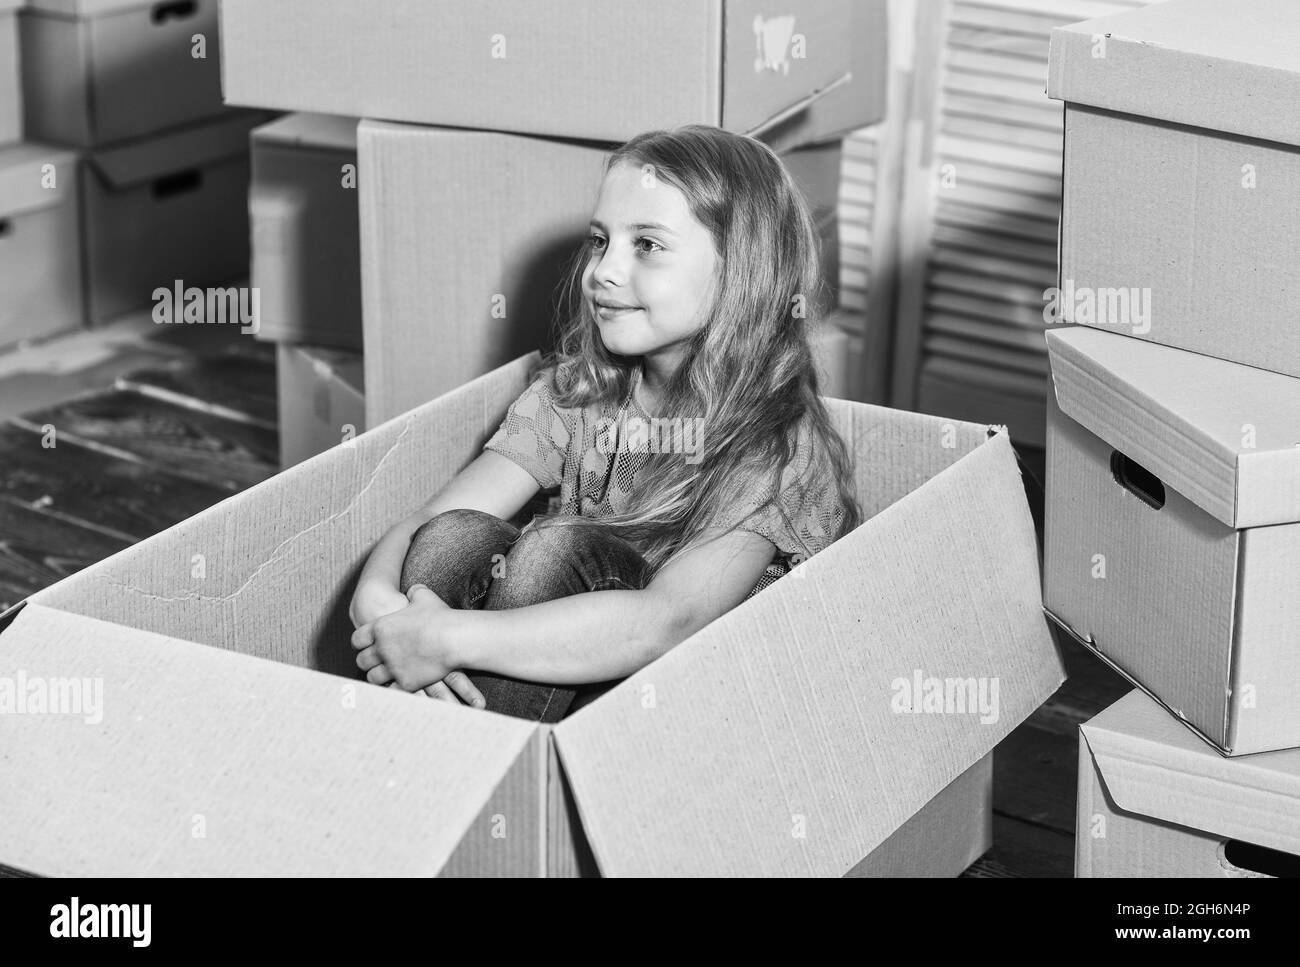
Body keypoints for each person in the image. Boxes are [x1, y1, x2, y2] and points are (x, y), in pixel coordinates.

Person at [349, 124, 862, 722]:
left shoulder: (773, 447)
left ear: (741, 269)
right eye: (600, 240)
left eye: (646, 244)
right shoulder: (579, 394)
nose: (603, 271)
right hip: (559, 670)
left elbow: (666, 623)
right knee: (457, 537)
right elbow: (432, 520)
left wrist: (446, 639)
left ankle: (496, 778)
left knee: (552, 549)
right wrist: (376, 594)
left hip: (698, 708)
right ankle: (430, 751)